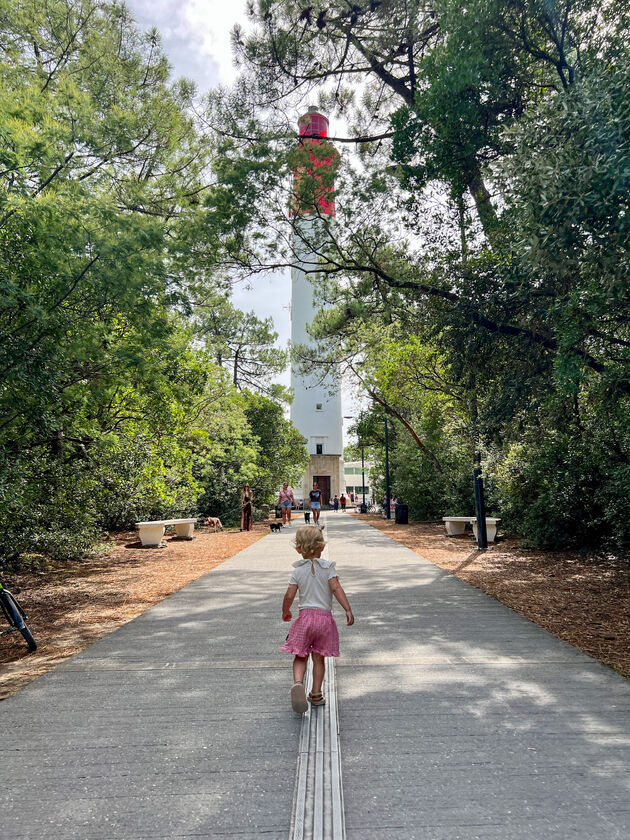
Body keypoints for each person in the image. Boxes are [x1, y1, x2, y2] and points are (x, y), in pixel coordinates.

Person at [281, 526, 354, 713]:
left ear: (298, 549)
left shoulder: (297, 571)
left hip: (304, 619)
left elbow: (289, 594)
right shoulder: (328, 568)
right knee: (319, 657)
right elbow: (337, 589)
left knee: (300, 654)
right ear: (321, 547)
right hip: (324, 620)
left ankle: (298, 683)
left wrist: (286, 610)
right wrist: (347, 609)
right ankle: (316, 694)